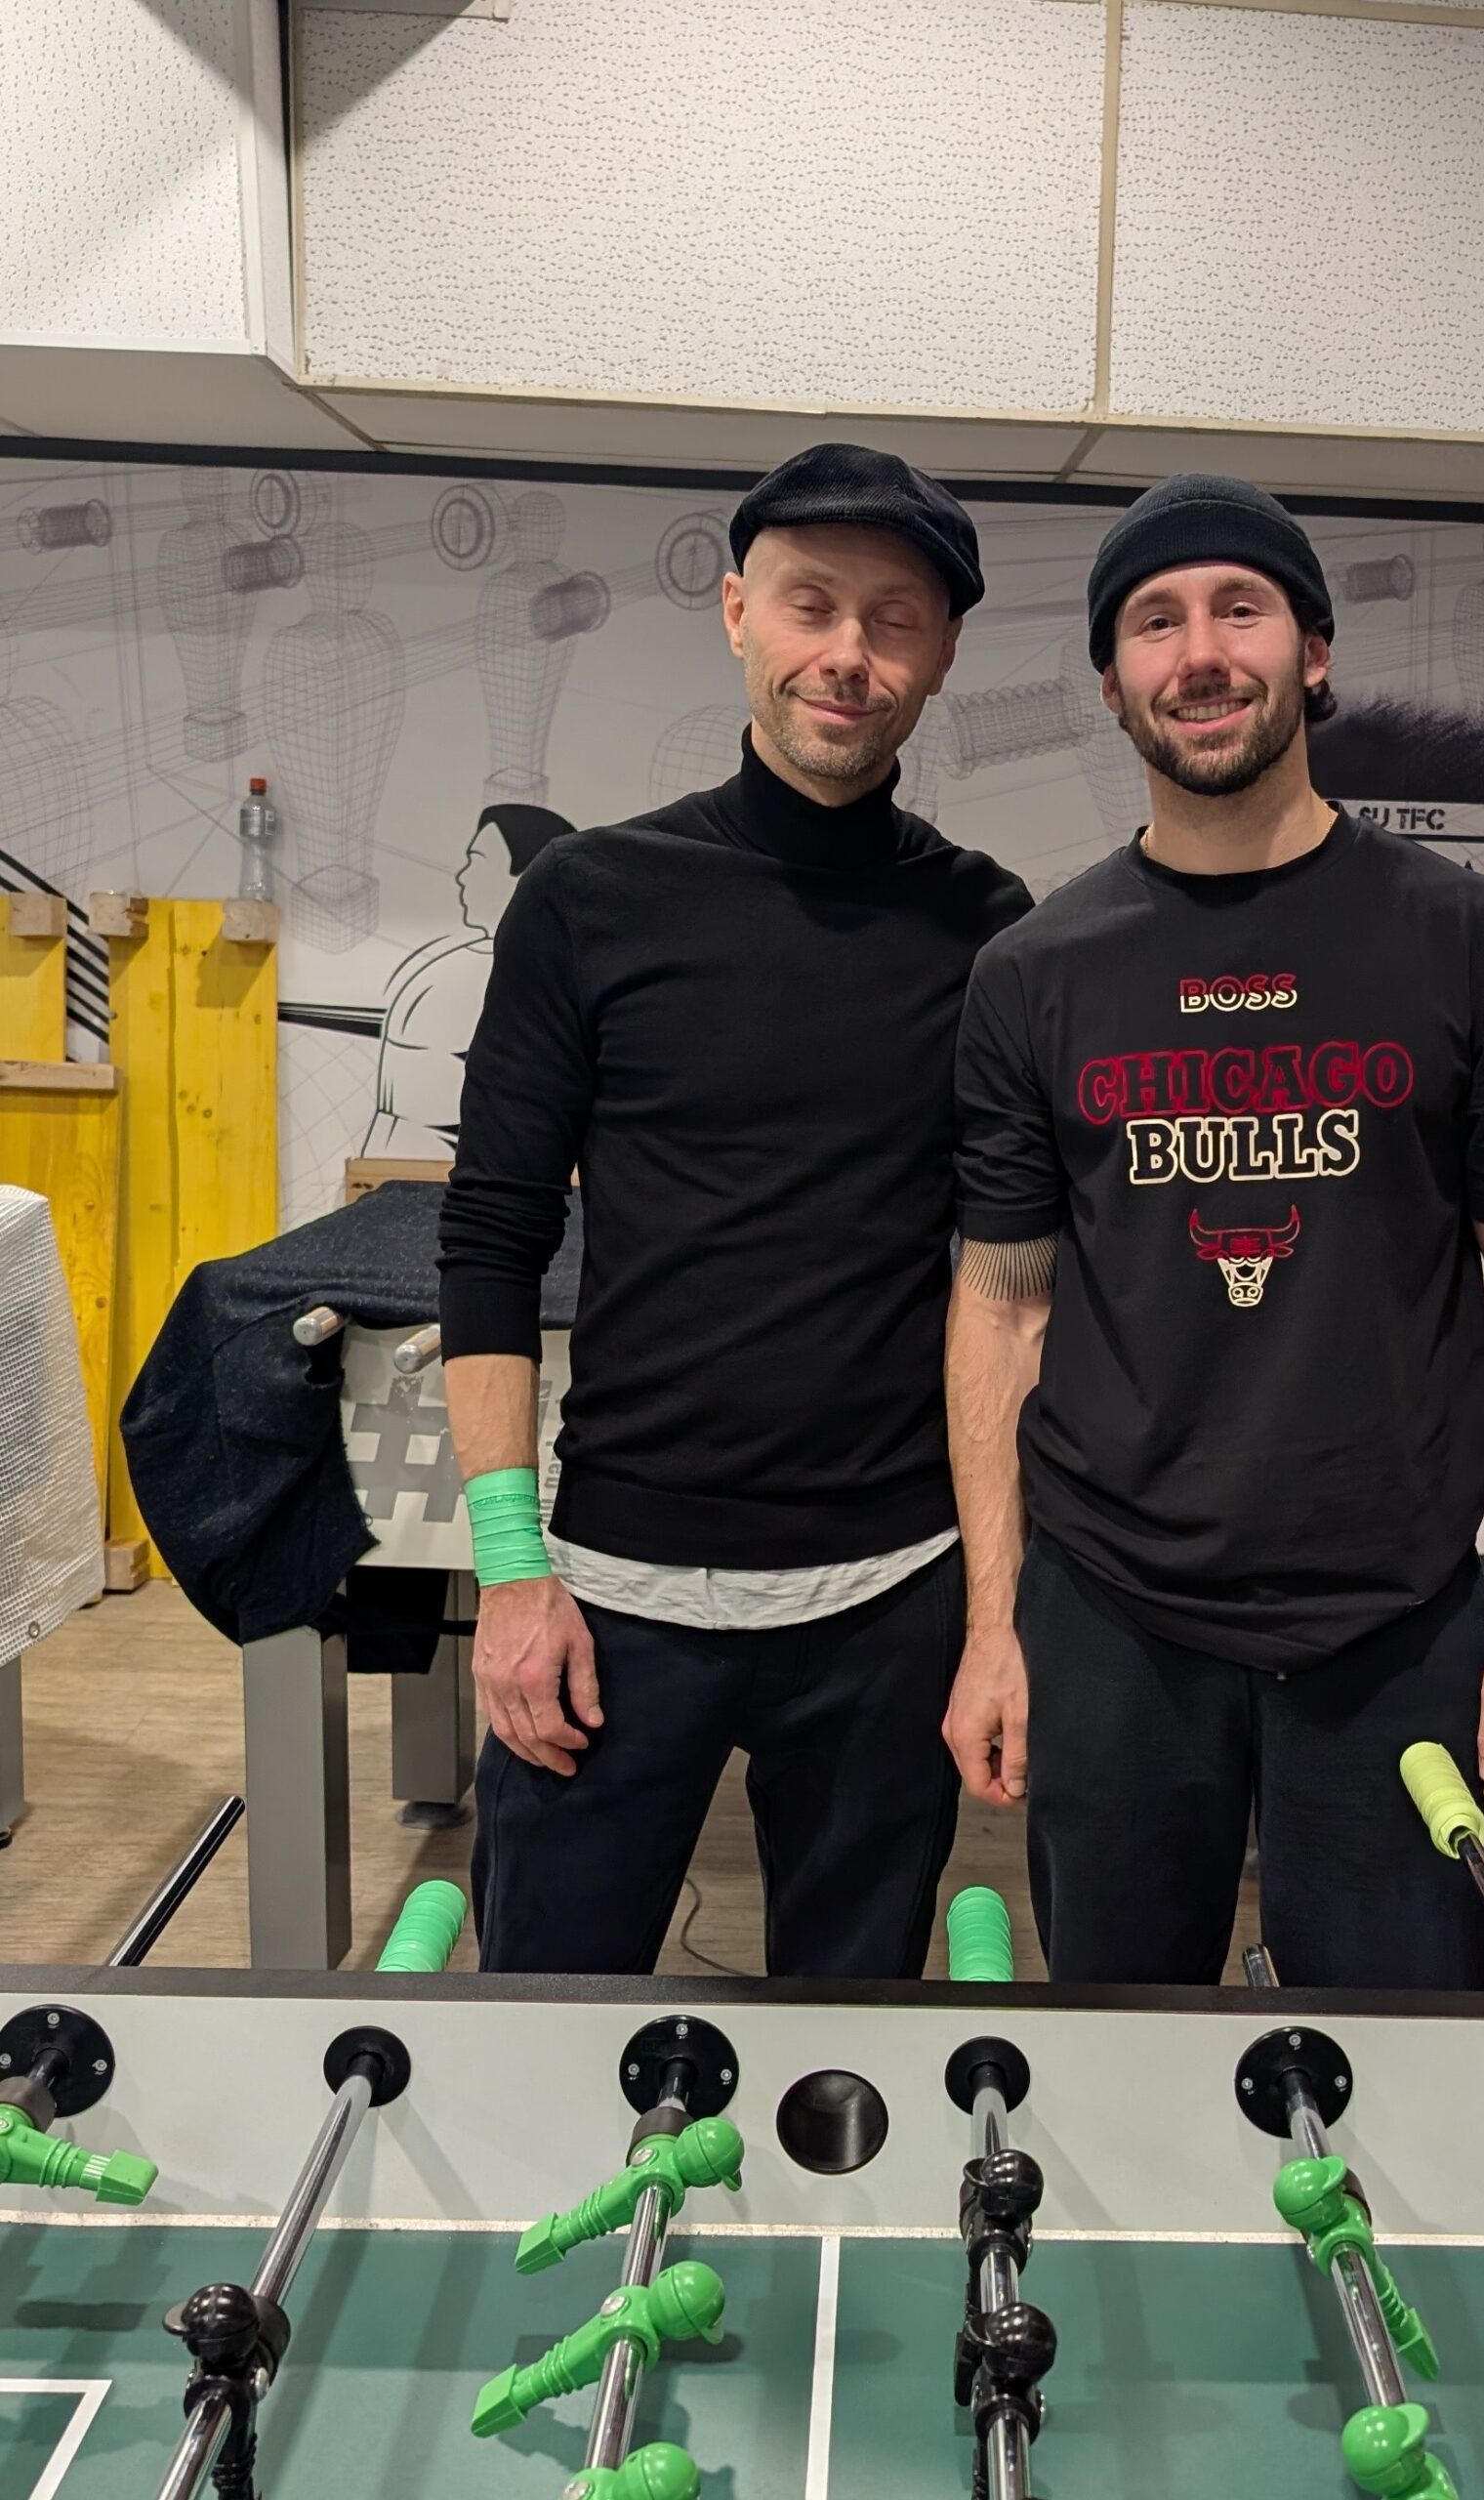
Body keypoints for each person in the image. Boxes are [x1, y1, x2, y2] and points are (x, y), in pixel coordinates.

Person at [942, 474, 1484, 1988]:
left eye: (1236, 609)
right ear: (1110, 680)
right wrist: (993, 1625)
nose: (1198, 653)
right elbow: (1001, 1306)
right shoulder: (1034, 972)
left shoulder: (1469, 937)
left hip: (1396, 1618)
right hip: (1109, 1617)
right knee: (1122, 2057)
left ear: (1311, 651)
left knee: (1395, 2067)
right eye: (1152, 622)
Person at [437, 443, 1030, 1978]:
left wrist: (992, 1613)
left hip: (889, 1597)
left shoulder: (988, 930)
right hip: (608, 1594)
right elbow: (491, 1239)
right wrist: (510, 1572)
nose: (847, 654)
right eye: (810, 605)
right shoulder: (588, 902)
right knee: (547, 2033)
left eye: (892, 619)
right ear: (735, 615)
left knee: (845, 2059)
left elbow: (1009, 1285)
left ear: (941, 653)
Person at [360, 804, 574, 1159]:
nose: (462, 876)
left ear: (527, 877)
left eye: (477, 861)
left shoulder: (515, 970)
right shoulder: (461, 970)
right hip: (423, 1171)